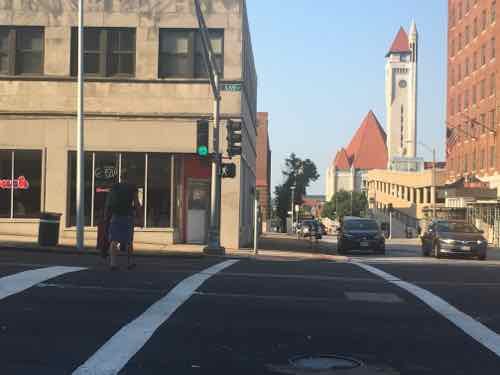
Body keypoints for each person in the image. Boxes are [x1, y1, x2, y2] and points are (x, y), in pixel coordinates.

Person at [104, 170, 142, 271]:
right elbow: (136, 203)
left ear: (121, 177)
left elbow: (108, 203)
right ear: (129, 177)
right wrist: (140, 217)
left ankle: (113, 263)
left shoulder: (114, 187)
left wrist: (106, 217)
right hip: (128, 216)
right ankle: (129, 263)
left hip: (115, 216)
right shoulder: (132, 188)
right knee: (129, 240)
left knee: (114, 240)